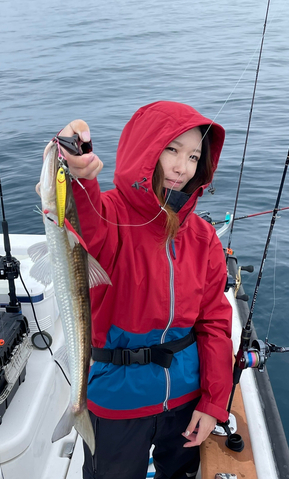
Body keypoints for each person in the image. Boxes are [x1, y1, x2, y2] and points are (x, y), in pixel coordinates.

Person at [53, 101, 233, 479]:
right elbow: (84, 225)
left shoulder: (203, 237)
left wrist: (214, 401)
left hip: (185, 399)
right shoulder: (110, 213)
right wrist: (79, 174)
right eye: (171, 150)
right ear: (147, 149)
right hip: (117, 400)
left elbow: (215, 322)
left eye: (194, 156)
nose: (182, 167)